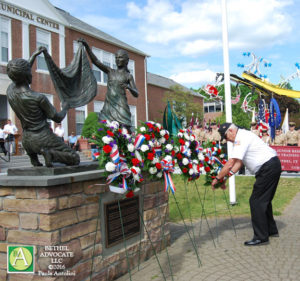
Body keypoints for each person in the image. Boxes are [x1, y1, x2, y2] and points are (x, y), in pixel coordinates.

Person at [6, 47, 80, 167]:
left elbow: (20, 73)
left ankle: (36, 159)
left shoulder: (10, 91)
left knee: (37, 169)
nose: (31, 73)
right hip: (42, 137)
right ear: (26, 75)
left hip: (27, 140)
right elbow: (57, 118)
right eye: (29, 71)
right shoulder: (37, 98)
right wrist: (65, 107)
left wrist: (34, 56)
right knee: (74, 158)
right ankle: (51, 154)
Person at [212, 123, 281, 246]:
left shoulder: (240, 138)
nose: (226, 140)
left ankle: (261, 237)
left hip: (267, 167)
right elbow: (238, 164)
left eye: (226, 136)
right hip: (271, 165)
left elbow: (230, 163)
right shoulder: (243, 136)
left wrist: (217, 178)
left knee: (256, 201)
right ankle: (271, 230)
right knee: (264, 200)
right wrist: (225, 179)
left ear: (232, 131)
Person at [78, 38, 138, 132]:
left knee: (124, 130)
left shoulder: (128, 76)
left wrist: (129, 87)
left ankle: (125, 146)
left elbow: (136, 94)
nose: (118, 60)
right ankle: (106, 146)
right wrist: (87, 47)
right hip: (109, 106)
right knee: (102, 129)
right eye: (116, 58)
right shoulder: (110, 71)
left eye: (120, 58)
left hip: (121, 106)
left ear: (126, 60)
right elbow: (96, 61)